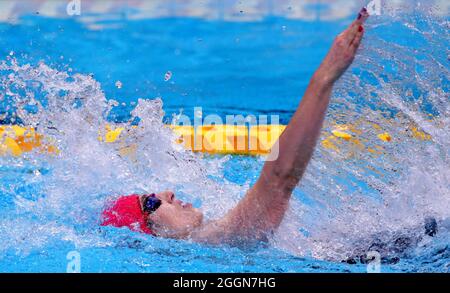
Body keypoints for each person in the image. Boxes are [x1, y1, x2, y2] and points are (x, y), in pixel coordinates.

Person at [101, 8, 370, 245]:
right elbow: (279, 180)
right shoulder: (217, 242)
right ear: (148, 233)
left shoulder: (210, 243)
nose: (167, 193)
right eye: (150, 202)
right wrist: (325, 76)